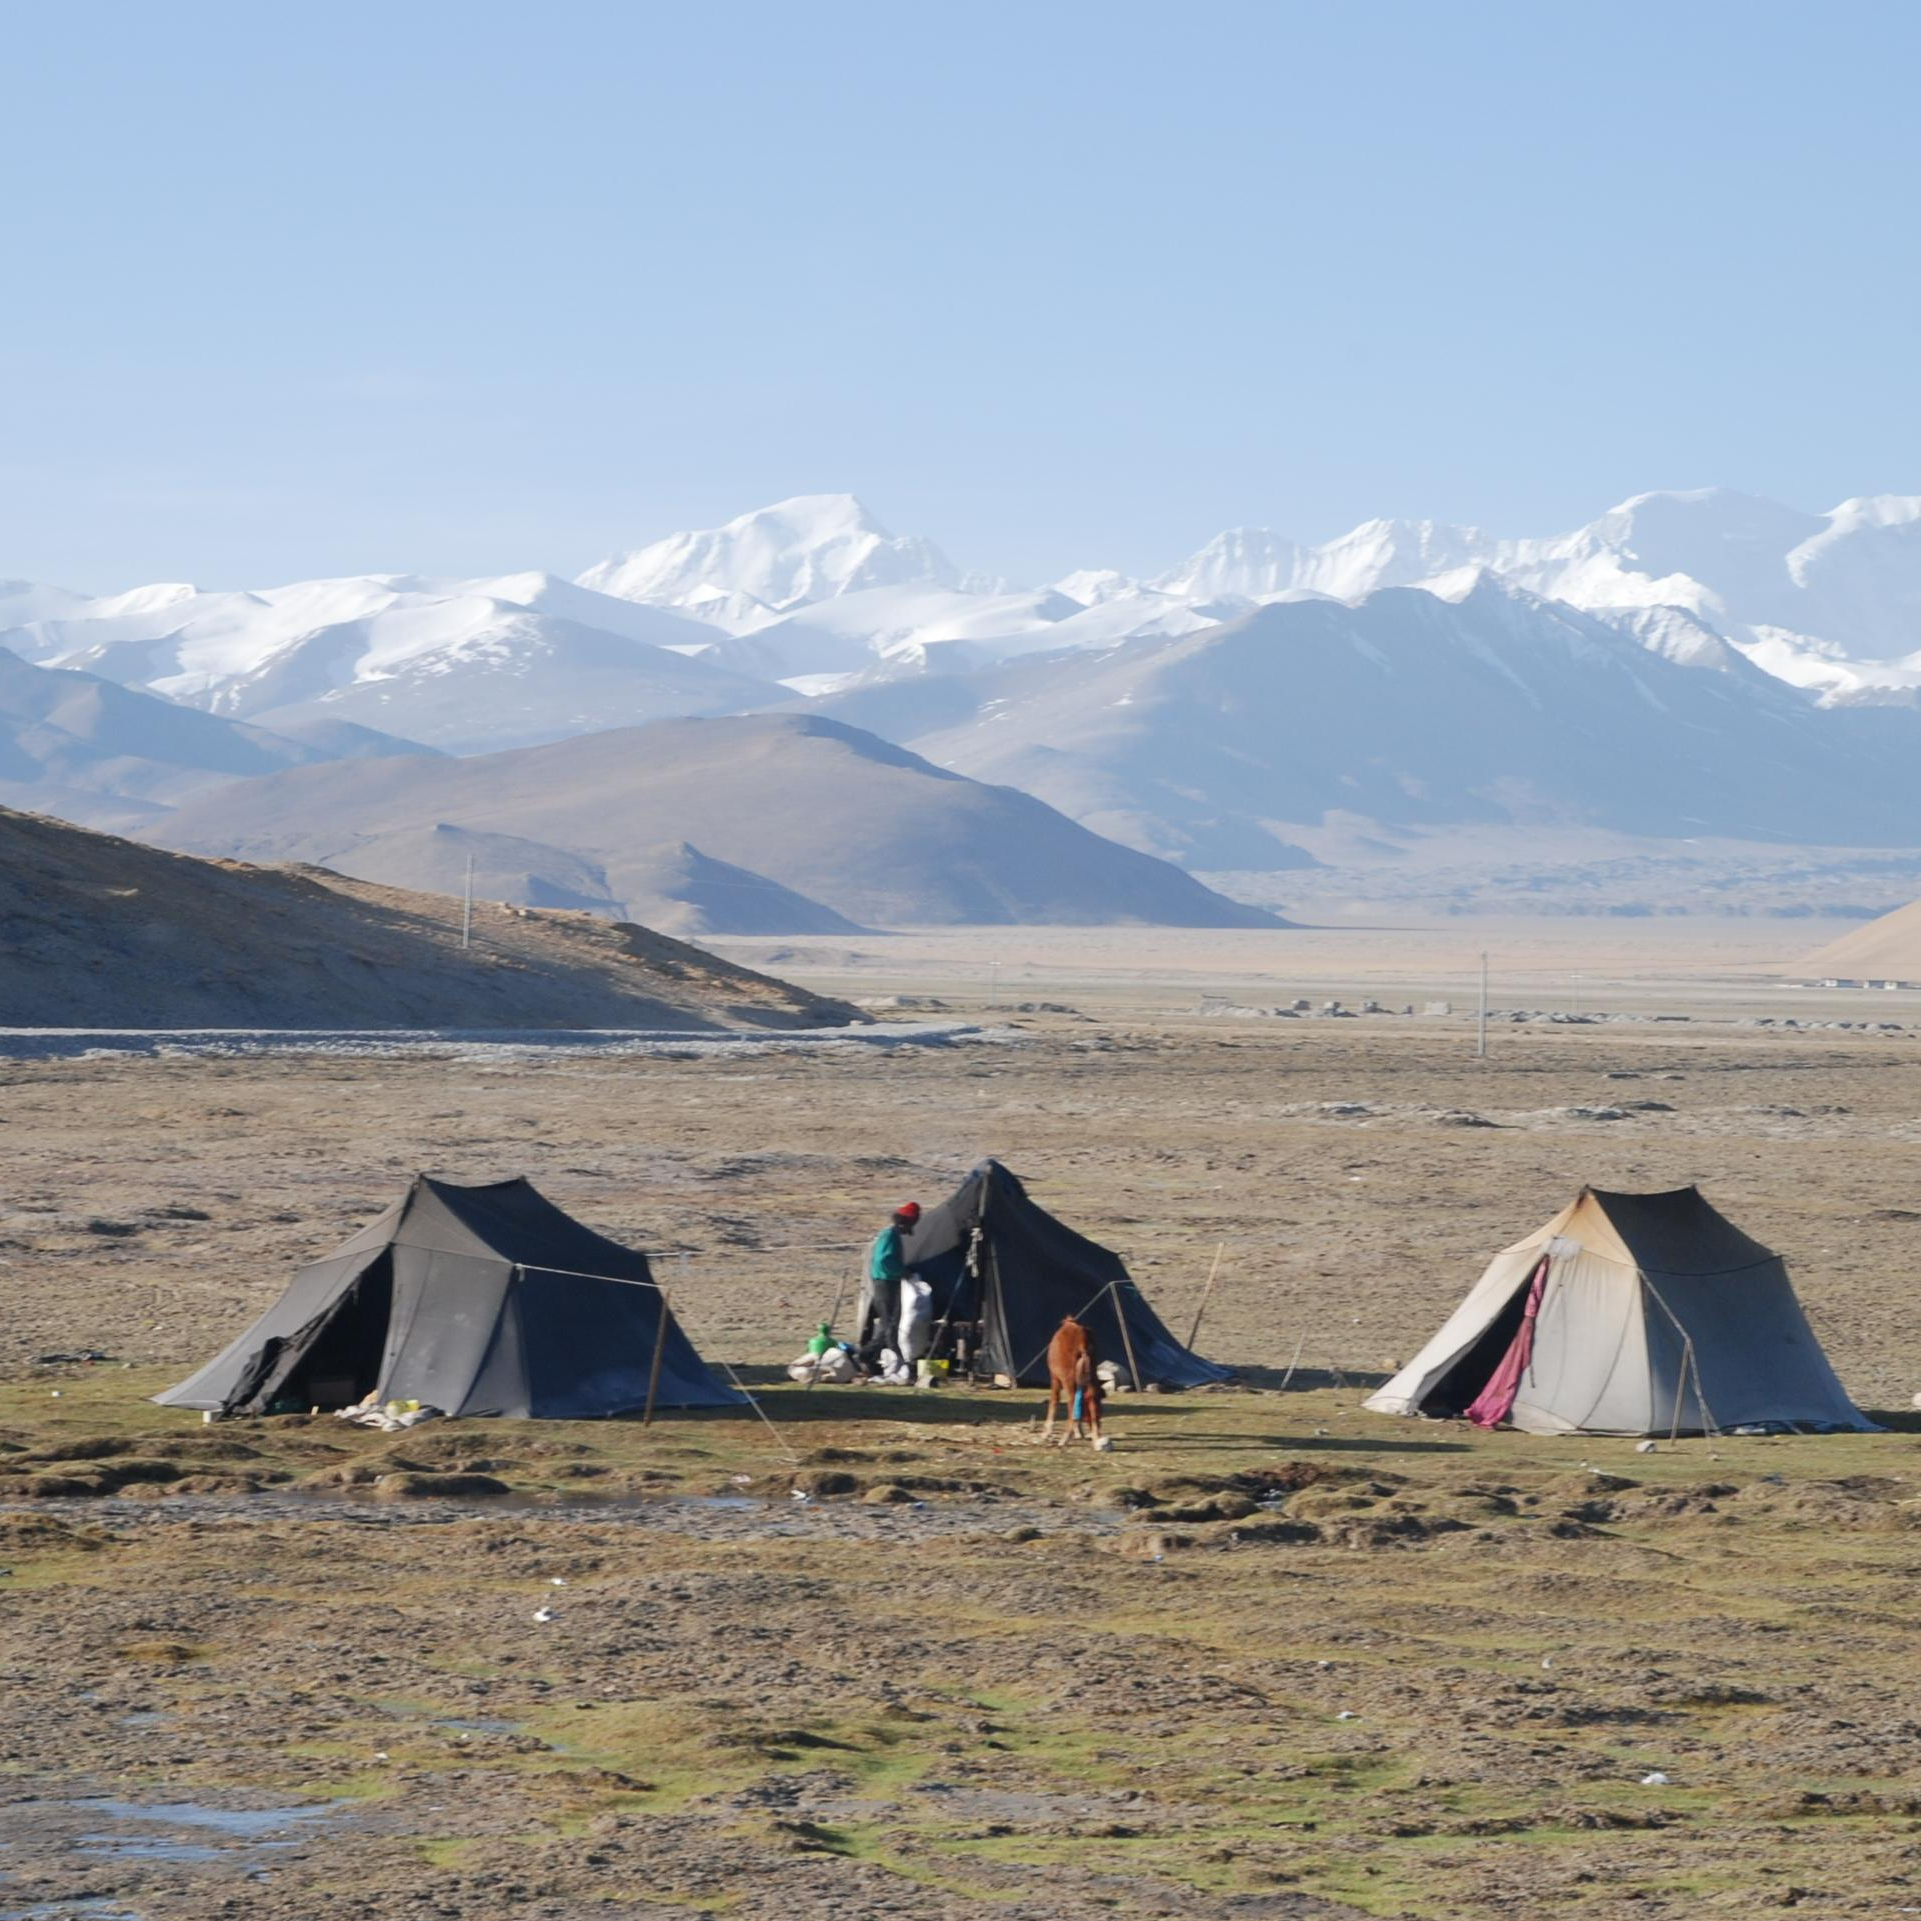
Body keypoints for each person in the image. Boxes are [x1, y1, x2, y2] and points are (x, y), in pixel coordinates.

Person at [859, 1202, 920, 1370]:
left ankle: (875, 1359)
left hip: (887, 1282)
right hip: (885, 1283)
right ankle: (867, 1355)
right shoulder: (890, 1236)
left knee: (888, 1323)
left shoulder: (890, 1234)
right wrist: (902, 1272)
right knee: (889, 1324)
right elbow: (884, 1260)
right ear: (905, 1222)